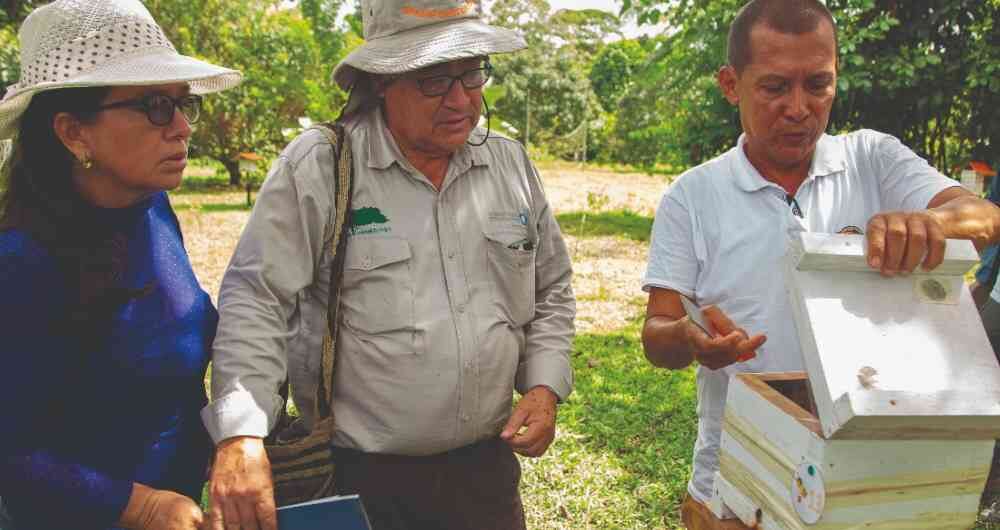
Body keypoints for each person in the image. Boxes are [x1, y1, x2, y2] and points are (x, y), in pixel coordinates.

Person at [200, 1, 575, 529]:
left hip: (486, 475)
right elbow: (257, 298)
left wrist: (543, 385)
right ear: (381, 80)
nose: (460, 99)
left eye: (472, 73)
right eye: (433, 79)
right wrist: (241, 433)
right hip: (362, 481)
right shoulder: (323, 165)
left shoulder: (508, 163)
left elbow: (552, 287)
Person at [638, 1, 1000, 528]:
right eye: (775, 86)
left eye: (818, 84)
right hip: (742, 473)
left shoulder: (872, 160)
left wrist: (934, 225)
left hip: (870, 475)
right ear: (731, 84)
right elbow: (656, 332)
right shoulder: (691, 198)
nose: (799, 107)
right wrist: (692, 341)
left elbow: (986, 216)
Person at [0, 1, 241, 529]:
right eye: (156, 106)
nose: (181, 126)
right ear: (73, 132)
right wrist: (141, 505)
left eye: (183, 104)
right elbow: (12, 453)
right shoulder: (22, 263)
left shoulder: (152, 211)